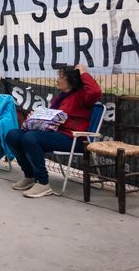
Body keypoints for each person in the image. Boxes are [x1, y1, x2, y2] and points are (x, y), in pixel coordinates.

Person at [6, 64, 102, 198]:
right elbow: (50, 119)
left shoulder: (83, 96)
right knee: (13, 135)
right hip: (55, 133)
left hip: (73, 138)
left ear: (72, 81)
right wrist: (35, 118)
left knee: (31, 138)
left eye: (61, 77)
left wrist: (83, 72)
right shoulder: (61, 97)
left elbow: (96, 92)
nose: (57, 80)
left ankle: (43, 183)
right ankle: (29, 175)